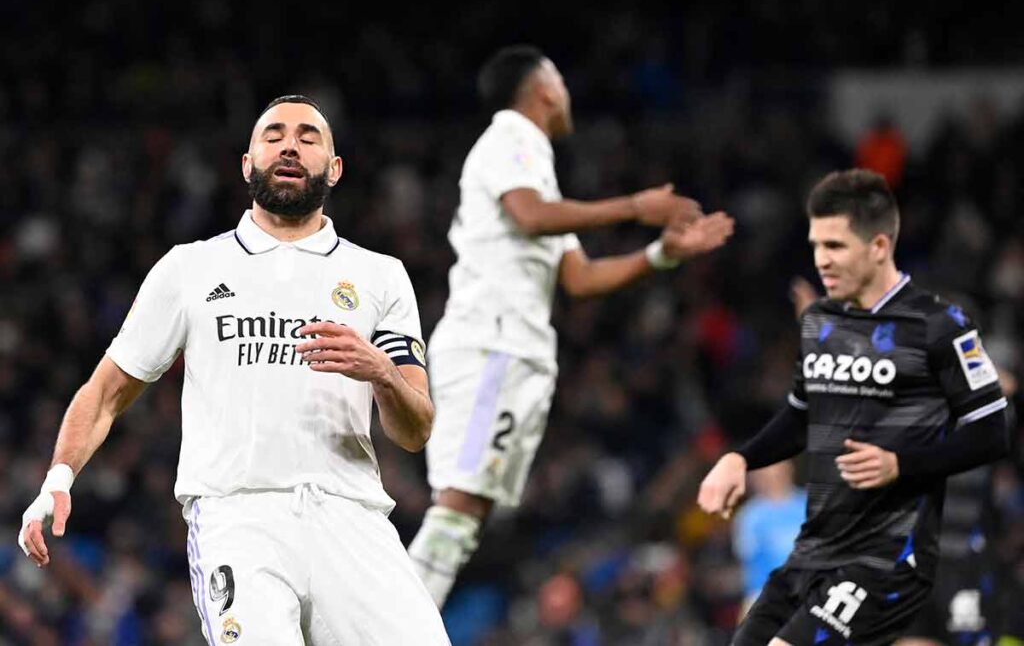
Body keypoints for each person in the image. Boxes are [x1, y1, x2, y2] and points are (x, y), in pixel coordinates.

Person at [17, 95, 451, 645]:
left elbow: (415, 431)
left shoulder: (379, 276)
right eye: (273, 136)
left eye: (308, 138)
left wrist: (383, 372)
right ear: (247, 164)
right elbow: (105, 392)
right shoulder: (190, 268)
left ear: (334, 169)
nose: (289, 146)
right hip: (241, 519)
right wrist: (58, 478)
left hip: (352, 517)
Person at [407, 45, 735, 607]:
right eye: (559, 78)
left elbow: (580, 277)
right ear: (544, 88)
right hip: (491, 344)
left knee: (470, 512)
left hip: (513, 349)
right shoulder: (509, 138)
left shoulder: (536, 171)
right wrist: (634, 206)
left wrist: (661, 254)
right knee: (458, 509)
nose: (566, 92)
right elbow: (531, 216)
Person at [698, 169, 1010, 645]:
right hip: (814, 552)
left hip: (885, 558)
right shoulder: (823, 324)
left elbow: (992, 431)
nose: (821, 259)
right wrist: (741, 457)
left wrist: (901, 464)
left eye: (836, 246)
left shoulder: (939, 325)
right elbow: (800, 416)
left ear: (879, 246)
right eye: (816, 245)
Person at [732, 460, 806, 617]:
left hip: (807, 594)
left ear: (789, 468)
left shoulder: (810, 506)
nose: (773, 473)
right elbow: (747, 563)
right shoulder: (749, 516)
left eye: (777, 466)